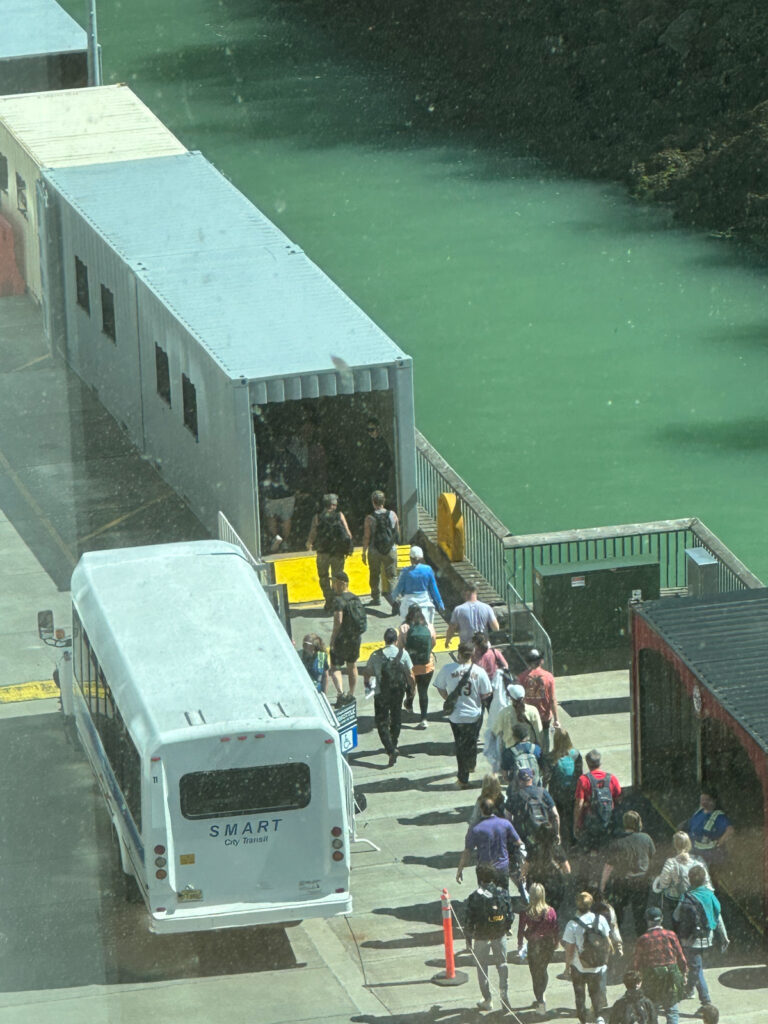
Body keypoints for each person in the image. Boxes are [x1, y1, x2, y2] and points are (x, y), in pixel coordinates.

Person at [434, 642, 492, 788]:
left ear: (459, 653)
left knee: (460, 746)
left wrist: (448, 698)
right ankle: (471, 764)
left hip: (456, 715)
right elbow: (487, 693)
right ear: (472, 655)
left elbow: (439, 686)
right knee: (472, 741)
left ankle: (463, 778)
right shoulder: (479, 671)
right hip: (474, 714)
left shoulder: (448, 669)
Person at [673, 864, 728, 1016]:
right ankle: (689, 989)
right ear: (704, 879)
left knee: (696, 969)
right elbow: (718, 917)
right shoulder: (710, 895)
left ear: (690, 880)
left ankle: (706, 1002)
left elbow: (676, 916)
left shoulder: (686, 896)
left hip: (690, 940)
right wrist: (724, 937)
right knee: (695, 966)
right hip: (707, 938)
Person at [463, 862, 513, 1013]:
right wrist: (506, 928)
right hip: (499, 934)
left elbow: (469, 920)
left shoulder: (474, 897)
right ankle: (504, 996)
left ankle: (487, 999)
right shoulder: (503, 893)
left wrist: (468, 939)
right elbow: (510, 915)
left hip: (482, 937)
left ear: (479, 879)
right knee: (502, 965)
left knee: (482, 968)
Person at [600, 811, 656, 938]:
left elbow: (609, 866)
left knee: (618, 914)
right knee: (640, 915)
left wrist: (602, 884)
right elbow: (652, 859)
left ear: (624, 823)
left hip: (622, 883)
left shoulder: (617, 842)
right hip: (641, 882)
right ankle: (642, 941)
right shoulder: (646, 839)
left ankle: (617, 941)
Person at [364, 627, 415, 766]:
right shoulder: (402, 654)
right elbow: (410, 675)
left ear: (384, 639)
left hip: (381, 693)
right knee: (396, 717)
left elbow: (367, 673)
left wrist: (369, 690)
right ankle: (394, 742)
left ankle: (390, 748)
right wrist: (411, 691)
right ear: (396, 640)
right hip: (398, 692)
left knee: (381, 721)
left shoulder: (375, 655)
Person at [562, 890, 612, 1024]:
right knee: (595, 993)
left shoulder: (572, 924)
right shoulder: (600, 919)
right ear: (591, 904)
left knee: (580, 995)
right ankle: (598, 1016)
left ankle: (583, 1019)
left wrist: (567, 967)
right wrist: (604, 961)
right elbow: (607, 941)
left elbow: (569, 950)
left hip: (579, 967)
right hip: (596, 966)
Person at [457, 797, 524, 892]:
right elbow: (518, 843)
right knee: (503, 896)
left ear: (481, 809)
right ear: (494, 809)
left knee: (486, 897)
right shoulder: (505, 824)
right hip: (502, 867)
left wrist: (460, 869)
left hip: (484, 869)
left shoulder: (475, 829)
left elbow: (467, 851)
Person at [634, 906, 687, 1024]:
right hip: (671, 975)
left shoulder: (643, 939)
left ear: (647, 920)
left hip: (652, 977)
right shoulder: (671, 935)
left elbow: (636, 963)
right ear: (661, 919)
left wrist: (636, 978)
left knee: (653, 1009)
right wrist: (684, 973)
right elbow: (680, 956)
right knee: (671, 1009)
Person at [651, 831, 710, 930]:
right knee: (694, 924)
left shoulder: (671, 862)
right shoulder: (699, 861)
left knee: (677, 927)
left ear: (674, 845)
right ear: (689, 843)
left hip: (675, 901)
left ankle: (679, 942)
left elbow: (664, 884)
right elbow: (707, 883)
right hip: (696, 900)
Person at [306, 493, 354, 611]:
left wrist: (309, 543)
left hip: (323, 553)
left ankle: (328, 600)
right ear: (333, 504)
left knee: (323, 577)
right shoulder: (339, 515)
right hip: (337, 553)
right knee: (337, 577)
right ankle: (337, 600)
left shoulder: (317, 517)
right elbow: (348, 534)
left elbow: (313, 533)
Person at [517, 882, 559, 1012]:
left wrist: (520, 944)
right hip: (547, 945)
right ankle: (542, 995)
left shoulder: (526, 912)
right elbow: (556, 928)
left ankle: (540, 1000)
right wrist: (556, 942)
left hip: (534, 945)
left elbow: (520, 930)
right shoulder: (551, 911)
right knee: (543, 970)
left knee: (535, 974)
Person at [329, 571, 366, 705]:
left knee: (335, 666)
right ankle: (351, 694)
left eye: (334, 581)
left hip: (342, 638)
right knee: (352, 665)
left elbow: (338, 621)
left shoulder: (339, 600)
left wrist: (333, 638)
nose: (333, 585)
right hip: (355, 638)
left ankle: (340, 694)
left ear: (341, 583)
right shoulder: (356, 599)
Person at [261, 436, 302, 552]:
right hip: (288, 494)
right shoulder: (291, 458)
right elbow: (297, 475)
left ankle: (275, 538)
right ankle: (285, 541)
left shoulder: (268, 457)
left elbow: (262, 474)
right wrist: (295, 488)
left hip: (271, 495)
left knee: (271, 517)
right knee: (287, 518)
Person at [574, 749, 621, 849]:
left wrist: (577, 823)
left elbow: (579, 804)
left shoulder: (583, 780)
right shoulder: (612, 778)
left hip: (591, 822)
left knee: (591, 847)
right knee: (606, 846)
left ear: (587, 763)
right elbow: (619, 798)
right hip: (608, 819)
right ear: (600, 763)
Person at [398, 604, 436, 727]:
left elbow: (400, 647)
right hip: (426, 666)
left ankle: (409, 703)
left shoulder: (404, 628)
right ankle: (424, 719)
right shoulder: (429, 626)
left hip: (411, 666)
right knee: (423, 691)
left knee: (410, 687)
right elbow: (433, 643)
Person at [491, 684, 543, 772]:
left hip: (511, 751)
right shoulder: (533, 710)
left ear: (511, 698)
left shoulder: (504, 713)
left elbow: (495, 732)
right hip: (530, 749)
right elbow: (539, 733)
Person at [518, 648, 560, 757]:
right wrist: (556, 719)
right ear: (541, 661)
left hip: (529, 716)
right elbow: (552, 700)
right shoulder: (548, 677)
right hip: (544, 715)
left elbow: (519, 698)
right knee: (545, 742)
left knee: (530, 742)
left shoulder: (522, 677)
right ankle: (545, 765)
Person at [361, 490, 399, 608]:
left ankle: (376, 597)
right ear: (384, 501)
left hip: (374, 550)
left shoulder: (369, 518)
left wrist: (364, 552)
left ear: (373, 502)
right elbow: (397, 532)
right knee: (392, 577)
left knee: (374, 574)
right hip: (390, 550)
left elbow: (367, 537)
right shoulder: (392, 514)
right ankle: (395, 601)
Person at [523, 822, 571, 911]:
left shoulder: (534, 848)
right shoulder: (557, 849)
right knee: (552, 910)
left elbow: (526, 865)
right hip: (554, 885)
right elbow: (567, 869)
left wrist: (523, 876)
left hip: (537, 883)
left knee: (537, 908)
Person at [391, 545, 445, 625]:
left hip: (408, 603)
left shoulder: (405, 572)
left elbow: (398, 588)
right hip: (425, 602)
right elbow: (434, 589)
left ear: (410, 558)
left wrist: (393, 598)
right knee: (428, 627)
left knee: (405, 627)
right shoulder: (428, 570)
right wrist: (440, 604)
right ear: (422, 558)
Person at [684, 788, 734, 872]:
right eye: (702, 800)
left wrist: (719, 843)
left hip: (707, 855)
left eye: (706, 800)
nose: (703, 802)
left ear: (713, 801)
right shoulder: (698, 813)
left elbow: (730, 830)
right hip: (692, 852)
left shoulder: (718, 816)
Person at [548, 728, 582, 845]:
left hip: (557, 793)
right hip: (572, 792)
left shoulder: (551, 757)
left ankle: (559, 839)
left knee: (558, 816)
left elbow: (547, 776)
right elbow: (579, 773)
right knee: (571, 816)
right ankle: (573, 839)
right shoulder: (576, 754)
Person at [500, 721, 542, 788]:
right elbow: (542, 768)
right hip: (535, 787)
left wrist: (510, 782)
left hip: (517, 788)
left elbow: (505, 775)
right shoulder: (536, 749)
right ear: (528, 736)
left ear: (514, 737)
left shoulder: (508, 752)